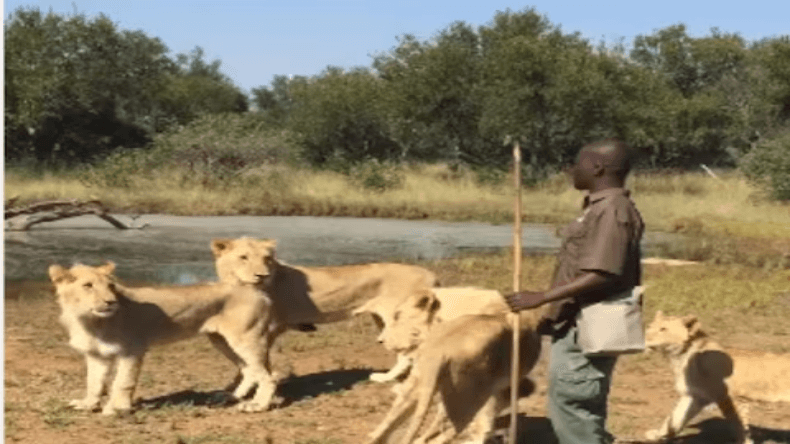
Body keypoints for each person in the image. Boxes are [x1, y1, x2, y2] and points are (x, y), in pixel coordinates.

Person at [504, 138, 644, 444]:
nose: (571, 170)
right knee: (571, 399)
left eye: (577, 163)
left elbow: (601, 273)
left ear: (597, 167)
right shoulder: (598, 209)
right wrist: (553, 315)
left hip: (592, 323)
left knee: (573, 402)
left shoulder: (612, 210)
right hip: (576, 321)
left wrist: (541, 298)